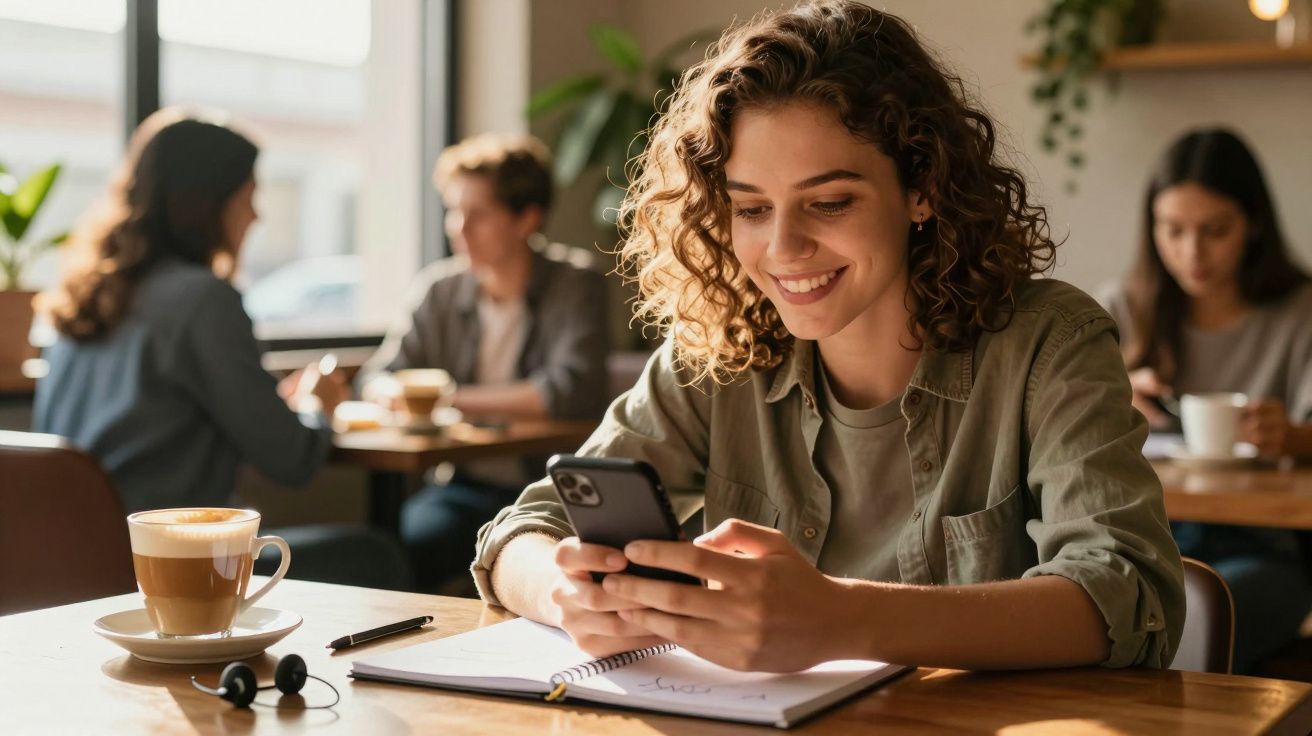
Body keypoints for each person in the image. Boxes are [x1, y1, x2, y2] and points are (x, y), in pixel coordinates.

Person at [472, 0, 1184, 673]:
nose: (783, 248)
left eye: (829, 202)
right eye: (750, 208)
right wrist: (564, 594)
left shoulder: (1050, 343)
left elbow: (1129, 594)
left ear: (922, 188)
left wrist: (843, 619)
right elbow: (520, 532)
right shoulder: (715, 353)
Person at [34, 108, 410, 590]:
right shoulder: (203, 301)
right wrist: (320, 405)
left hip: (67, 565)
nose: (256, 214)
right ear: (209, 204)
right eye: (249, 196)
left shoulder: (84, 296)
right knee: (377, 556)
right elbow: (292, 461)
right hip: (167, 571)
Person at [1099, 128, 1312, 673]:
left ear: (1254, 225)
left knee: (1187, 624)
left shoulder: (1300, 312)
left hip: (1261, 545)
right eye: (1173, 230)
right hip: (1138, 539)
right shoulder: (1120, 308)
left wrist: (1291, 436)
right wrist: (1112, 401)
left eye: (1215, 231)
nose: (1191, 253)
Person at [360, 132, 610, 594]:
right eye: (454, 211)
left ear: (526, 219)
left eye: (477, 214)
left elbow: (567, 390)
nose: (458, 227)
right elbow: (378, 376)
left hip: (551, 489)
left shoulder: (575, 286)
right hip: (464, 487)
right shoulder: (441, 289)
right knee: (404, 549)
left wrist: (444, 399)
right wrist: (390, 392)